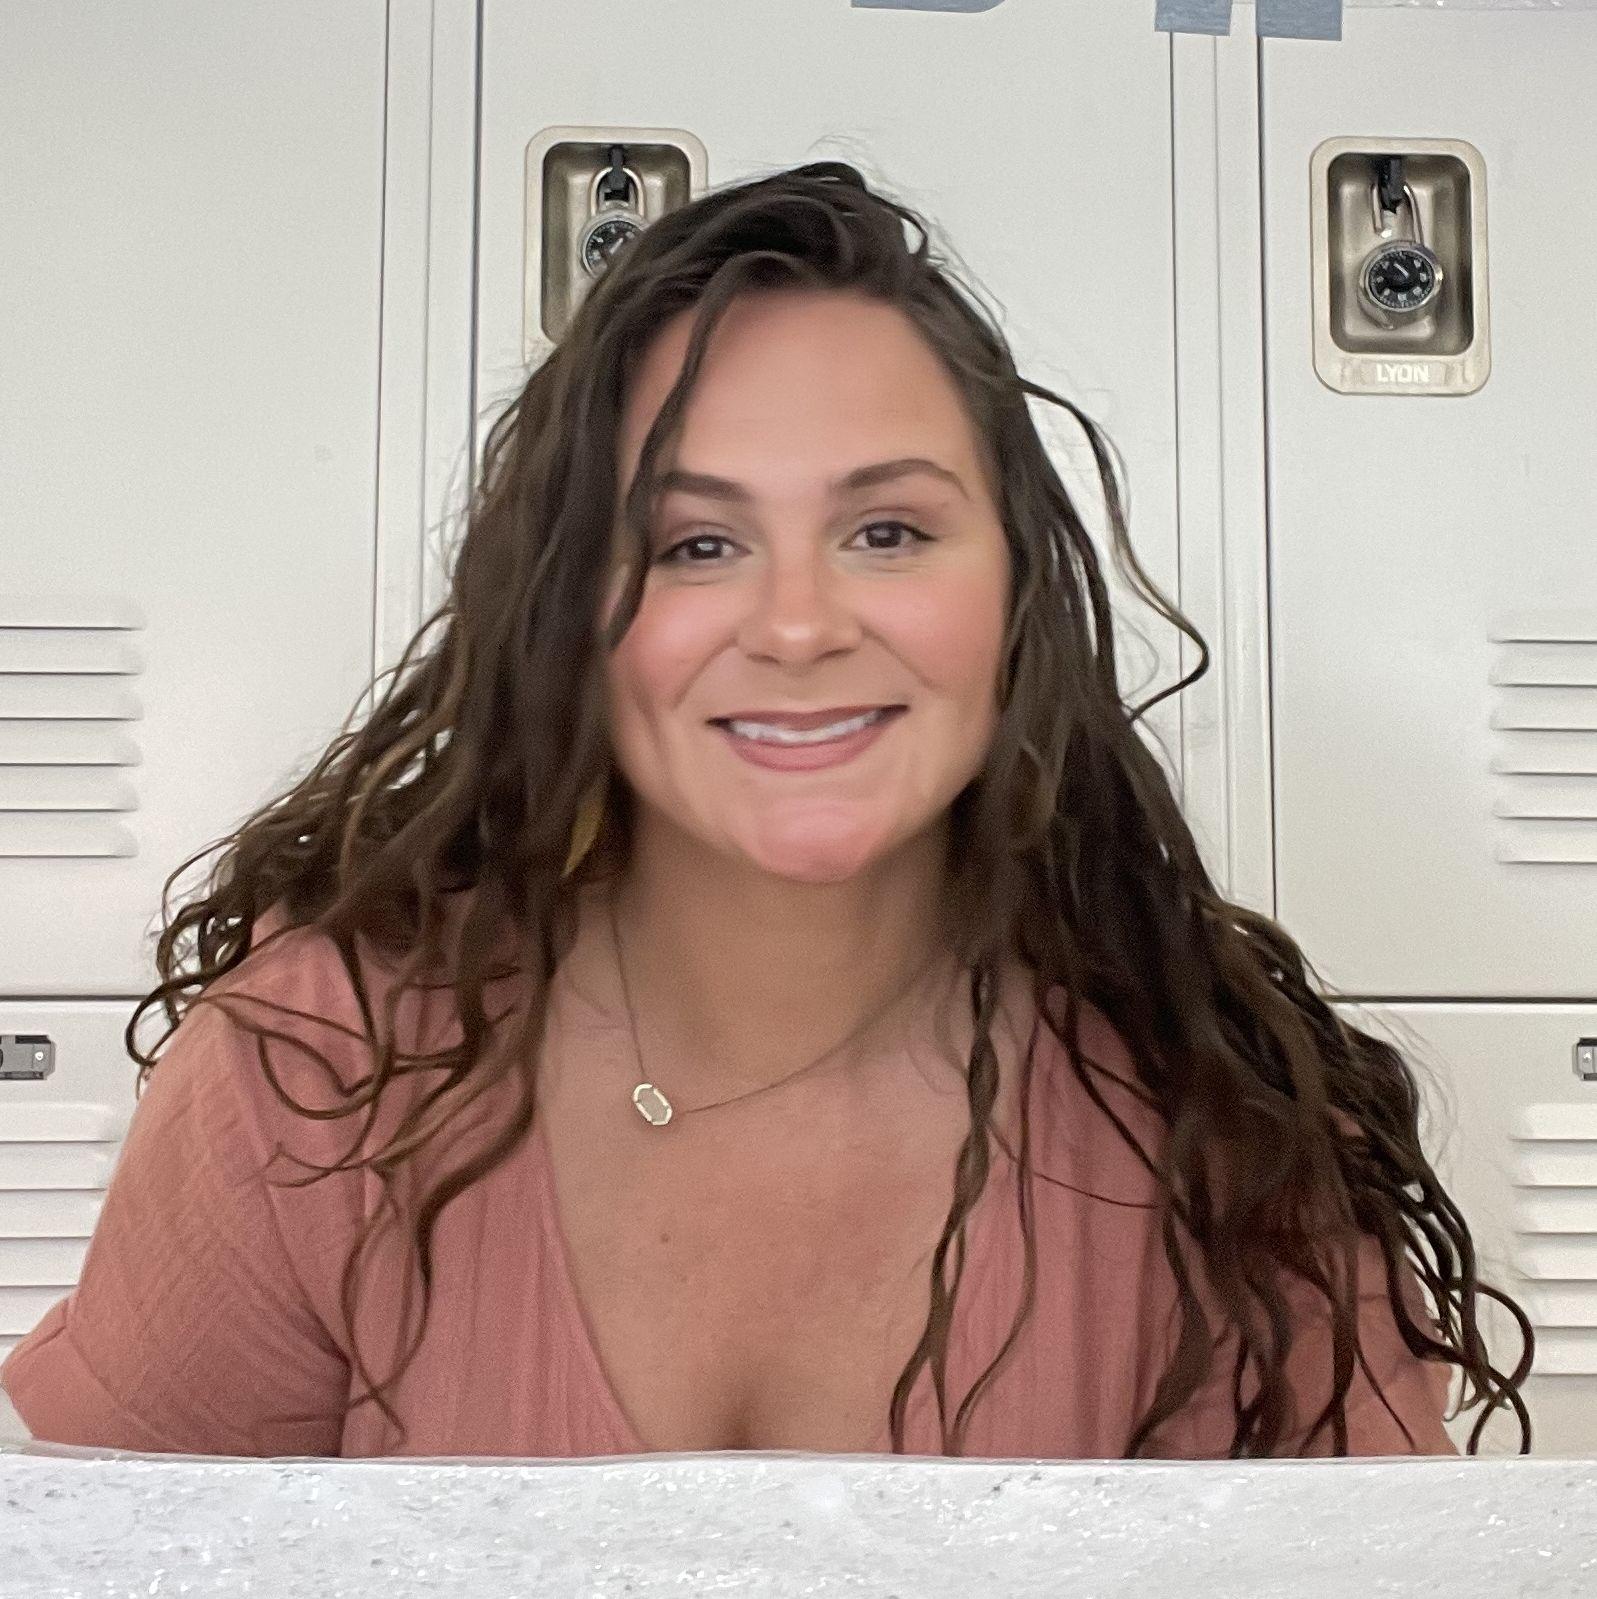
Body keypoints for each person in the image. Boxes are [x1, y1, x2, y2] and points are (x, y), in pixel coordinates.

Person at [1, 163, 1531, 1461]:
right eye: (693, 545)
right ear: (570, 618)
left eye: (887, 530)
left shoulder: (1228, 1129)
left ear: (1014, 598)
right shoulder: (316, 1076)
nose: (798, 626)